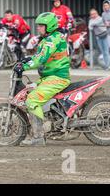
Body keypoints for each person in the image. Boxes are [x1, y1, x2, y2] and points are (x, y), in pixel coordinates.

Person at [13, 12, 70, 146]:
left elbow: (41, 59)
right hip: (49, 77)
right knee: (28, 90)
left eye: (41, 26)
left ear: (49, 26)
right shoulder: (49, 38)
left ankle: (38, 137)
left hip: (57, 78)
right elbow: (39, 56)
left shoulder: (52, 40)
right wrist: (26, 59)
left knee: (32, 100)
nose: (38, 28)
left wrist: (24, 67)